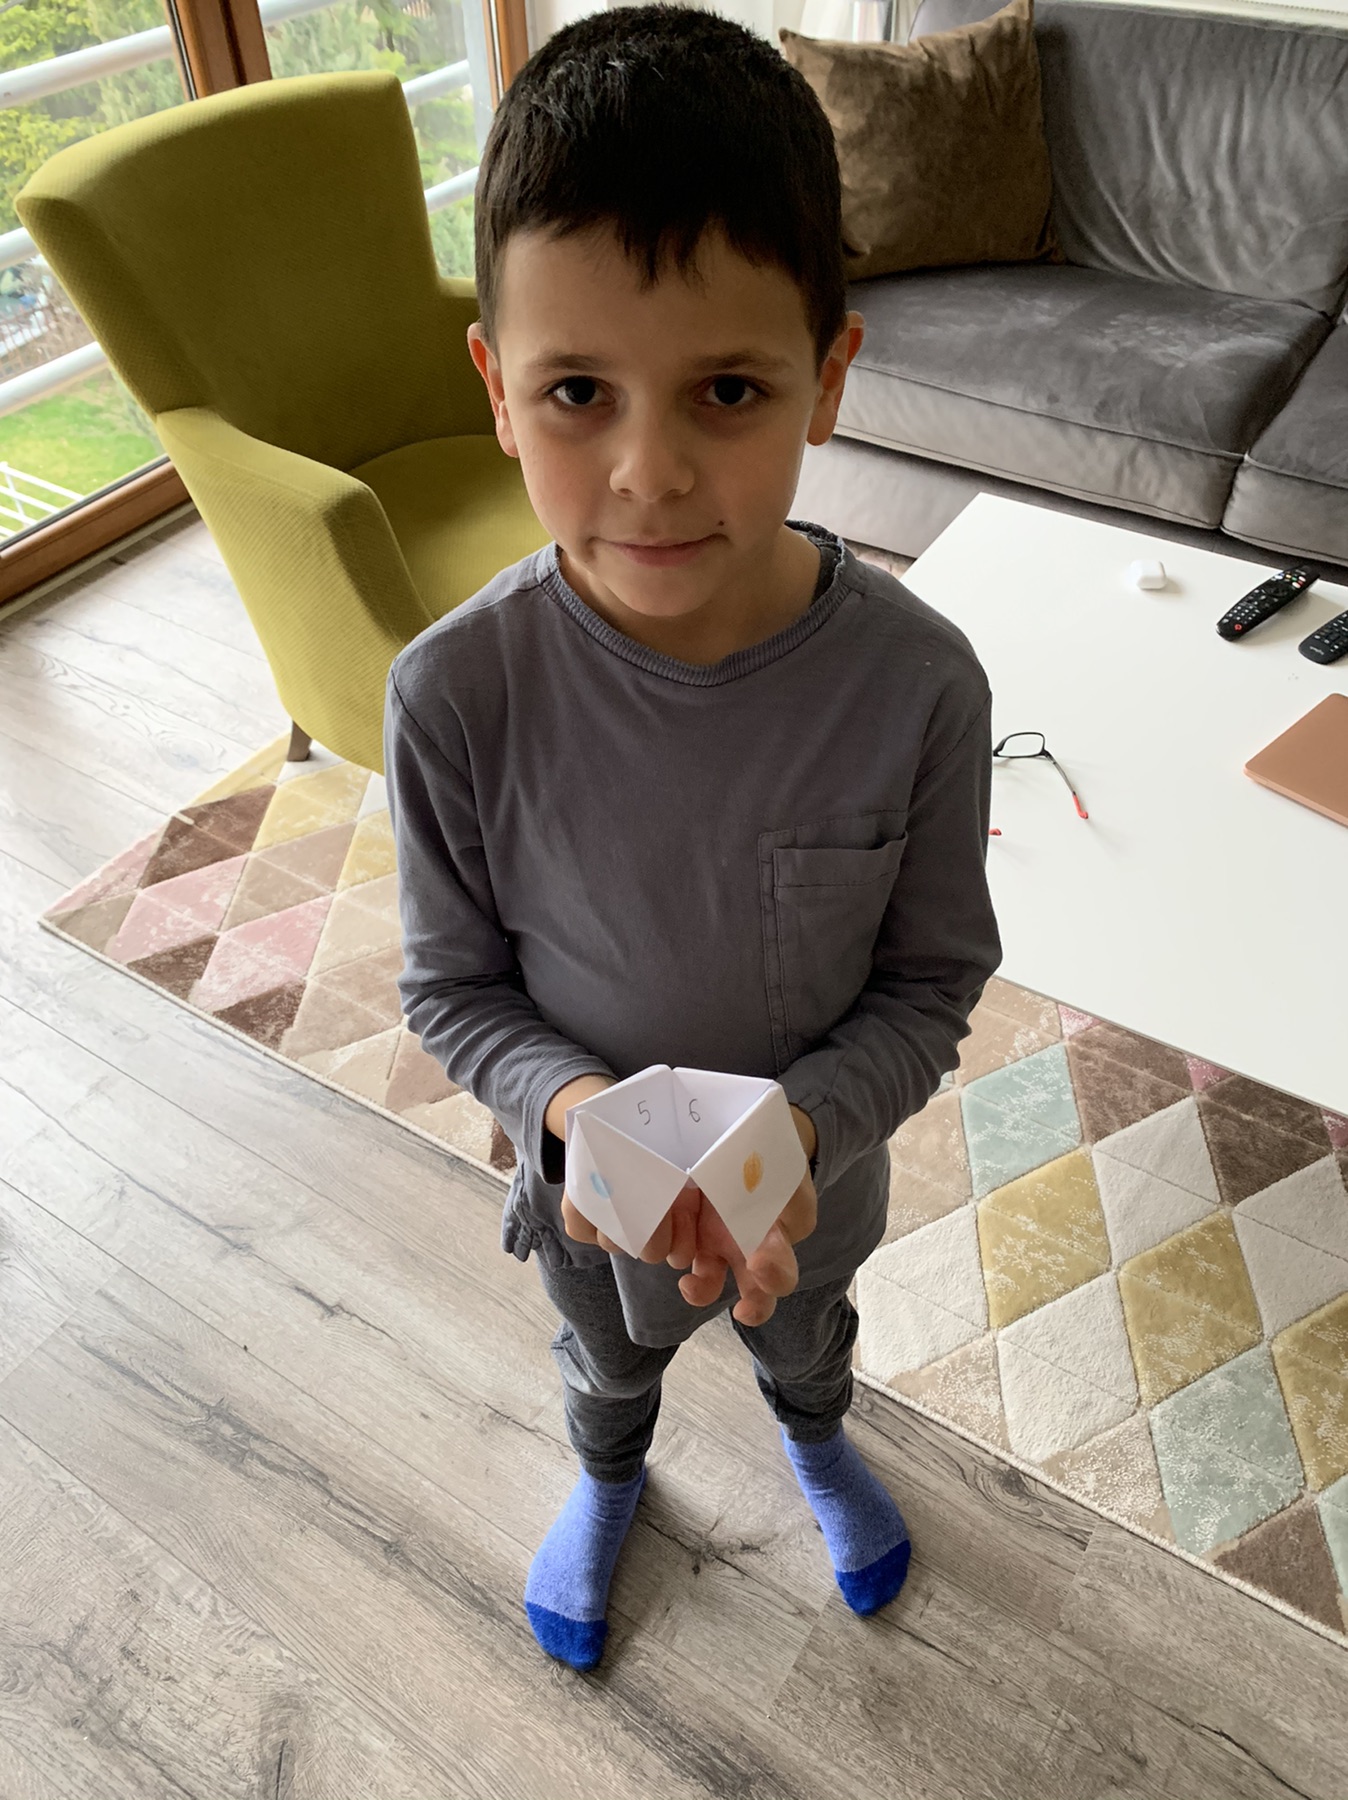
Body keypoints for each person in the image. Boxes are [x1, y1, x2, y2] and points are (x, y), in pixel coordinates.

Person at [384, 1, 1002, 1674]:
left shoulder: (923, 685)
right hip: (585, 1196)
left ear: (830, 379)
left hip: (821, 1178)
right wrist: (571, 1111)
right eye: (576, 392)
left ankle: (815, 1438)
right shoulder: (453, 696)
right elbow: (449, 989)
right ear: (497, 390)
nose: (648, 474)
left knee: (808, 1336)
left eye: (727, 389)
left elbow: (934, 980)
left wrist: (803, 1130)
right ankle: (611, 1477)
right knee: (607, 1358)